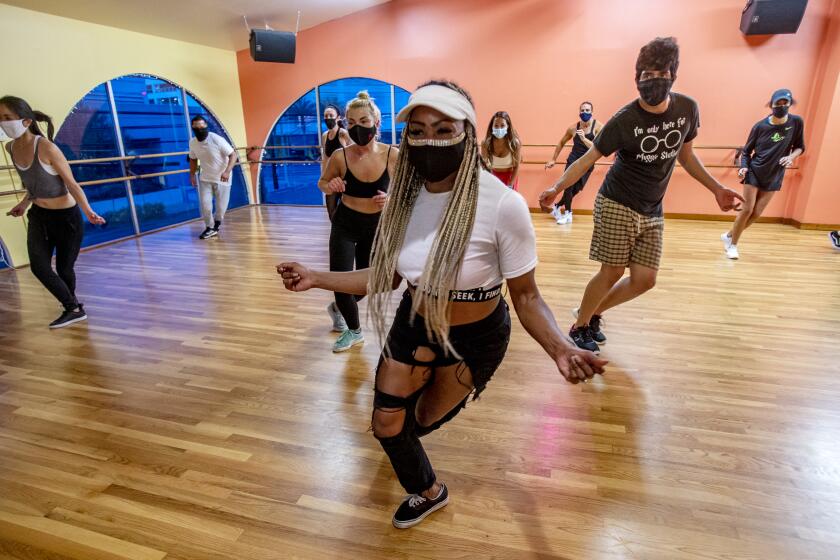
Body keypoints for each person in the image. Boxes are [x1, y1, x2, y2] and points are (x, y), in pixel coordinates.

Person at [278, 81, 607, 529]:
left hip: (475, 337)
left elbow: (526, 296)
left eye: (442, 127)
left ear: (467, 133)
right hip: (414, 320)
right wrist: (317, 277)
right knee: (385, 423)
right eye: (417, 129)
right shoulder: (402, 202)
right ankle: (428, 491)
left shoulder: (503, 205)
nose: (429, 138)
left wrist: (561, 347)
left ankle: (407, 456)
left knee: (419, 420)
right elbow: (385, 277)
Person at [538, 37, 744, 353]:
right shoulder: (625, 120)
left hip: (652, 207)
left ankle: (593, 314)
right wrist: (557, 188)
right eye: (645, 75)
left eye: (659, 73)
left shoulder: (687, 109)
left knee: (645, 279)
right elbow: (586, 159)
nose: (651, 81)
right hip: (617, 200)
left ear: (673, 74)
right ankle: (580, 325)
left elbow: (686, 156)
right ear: (637, 78)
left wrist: (717, 188)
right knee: (612, 271)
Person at [2, 95, 106, 328]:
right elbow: (32, 184)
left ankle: (73, 307)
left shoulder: (46, 147)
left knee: (63, 268)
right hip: (39, 216)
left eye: (7, 118)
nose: (3, 123)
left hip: (66, 217)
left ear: (26, 121)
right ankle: (73, 308)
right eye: (0, 119)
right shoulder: (11, 147)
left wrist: (88, 211)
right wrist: (24, 203)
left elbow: (71, 183)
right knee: (39, 266)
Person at [318, 91, 396, 351]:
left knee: (368, 284)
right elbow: (322, 183)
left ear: (377, 122)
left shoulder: (391, 155)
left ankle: (340, 305)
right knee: (340, 280)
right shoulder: (340, 156)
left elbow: (407, 193)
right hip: (345, 224)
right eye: (351, 123)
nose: (357, 128)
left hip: (375, 227)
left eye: (363, 121)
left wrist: (391, 198)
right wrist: (333, 185)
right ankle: (354, 331)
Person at [721, 89, 805, 259]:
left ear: (789, 104)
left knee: (756, 214)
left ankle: (729, 235)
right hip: (754, 172)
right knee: (747, 210)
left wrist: (791, 157)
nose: (781, 106)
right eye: (778, 103)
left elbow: (800, 147)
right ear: (771, 105)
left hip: (774, 175)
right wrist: (744, 167)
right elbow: (746, 152)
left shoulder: (796, 122)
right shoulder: (760, 126)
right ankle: (733, 246)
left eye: (785, 103)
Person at [545, 101, 603, 224]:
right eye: (582, 110)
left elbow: (597, 148)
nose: (585, 112)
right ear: (579, 112)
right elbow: (561, 142)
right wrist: (553, 160)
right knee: (568, 186)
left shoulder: (598, 127)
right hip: (573, 160)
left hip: (588, 162)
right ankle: (568, 213)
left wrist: (583, 138)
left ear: (592, 112)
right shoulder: (573, 128)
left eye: (587, 110)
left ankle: (557, 206)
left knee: (577, 189)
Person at [188, 116, 238, 240]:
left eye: (202, 126)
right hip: (205, 178)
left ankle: (216, 225)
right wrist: (192, 175)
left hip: (222, 178)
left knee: (221, 208)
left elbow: (233, 155)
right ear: (193, 127)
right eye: (196, 127)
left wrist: (227, 171)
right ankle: (210, 227)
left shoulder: (216, 139)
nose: (199, 129)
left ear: (206, 126)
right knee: (205, 205)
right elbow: (193, 159)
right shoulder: (193, 142)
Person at [321, 104, 352, 222]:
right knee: (331, 210)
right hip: (332, 180)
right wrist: (324, 177)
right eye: (326, 116)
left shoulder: (343, 133)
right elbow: (325, 158)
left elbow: (354, 152)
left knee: (348, 210)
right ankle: (337, 234)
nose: (328, 118)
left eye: (331, 115)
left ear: (338, 117)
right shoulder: (325, 136)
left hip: (345, 178)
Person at [480, 111, 521, 190]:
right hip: (493, 177)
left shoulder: (515, 143)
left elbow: (517, 167)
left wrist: (510, 185)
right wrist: (487, 182)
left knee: (509, 202)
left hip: (510, 177)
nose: (499, 128)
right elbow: (483, 166)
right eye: (496, 126)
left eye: (502, 125)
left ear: (508, 126)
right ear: (492, 127)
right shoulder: (485, 143)